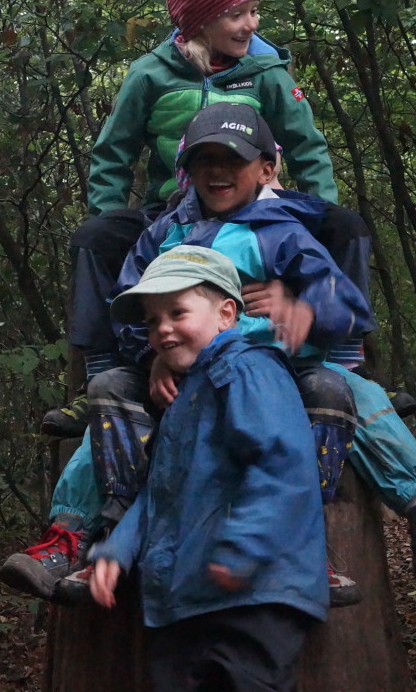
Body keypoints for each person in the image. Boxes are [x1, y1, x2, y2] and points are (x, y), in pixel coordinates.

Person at [0, 104, 416, 604]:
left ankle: (408, 519)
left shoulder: (284, 230)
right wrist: (150, 355)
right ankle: (75, 537)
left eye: (232, 159)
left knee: (347, 392)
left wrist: (303, 307)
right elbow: (128, 305)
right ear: (187, 171)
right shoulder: (165, 233)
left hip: (273, 371)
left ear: (266, 169)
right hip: (183, 373)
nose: (217, 171)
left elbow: (347, 304)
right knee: (109, 393)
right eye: (204, 160)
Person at [52, 0, 370, 425]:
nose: (251, 24)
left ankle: (350, 369)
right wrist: (111, 214)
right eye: (236, 14)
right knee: (95, 238)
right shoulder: (150, 75)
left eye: (254, 10)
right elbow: (112, 154)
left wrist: (306, 221)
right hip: (172, 208)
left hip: (262, 205)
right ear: (198, 19)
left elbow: (307, 147)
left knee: (346, 226)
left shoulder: (267, 70)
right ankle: (104, 374)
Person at [88, 244, 328, 692]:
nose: (162, 329)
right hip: (185, 601)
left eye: (177, 312)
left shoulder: (247, 370)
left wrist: (242, 548)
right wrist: (117, 551)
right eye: (152, 321)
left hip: (252, 593)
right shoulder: (185, 396)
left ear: (226, 314)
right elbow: (161, 492)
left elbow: (280, 463)